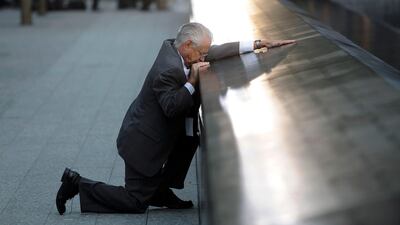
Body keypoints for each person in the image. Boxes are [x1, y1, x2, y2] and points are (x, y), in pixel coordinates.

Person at [55, 22, 295, 214]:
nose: (204, 58)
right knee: (135, 202)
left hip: (151, 133)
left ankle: (159, 190)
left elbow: (215, 51)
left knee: (189, 139)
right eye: (200, 53)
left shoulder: (179, 47)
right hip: (141, 142)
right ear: (188, 45)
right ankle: (76, 184)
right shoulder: (168, 68)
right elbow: (171, 107)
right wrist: (192, 81)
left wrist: (255, 44)